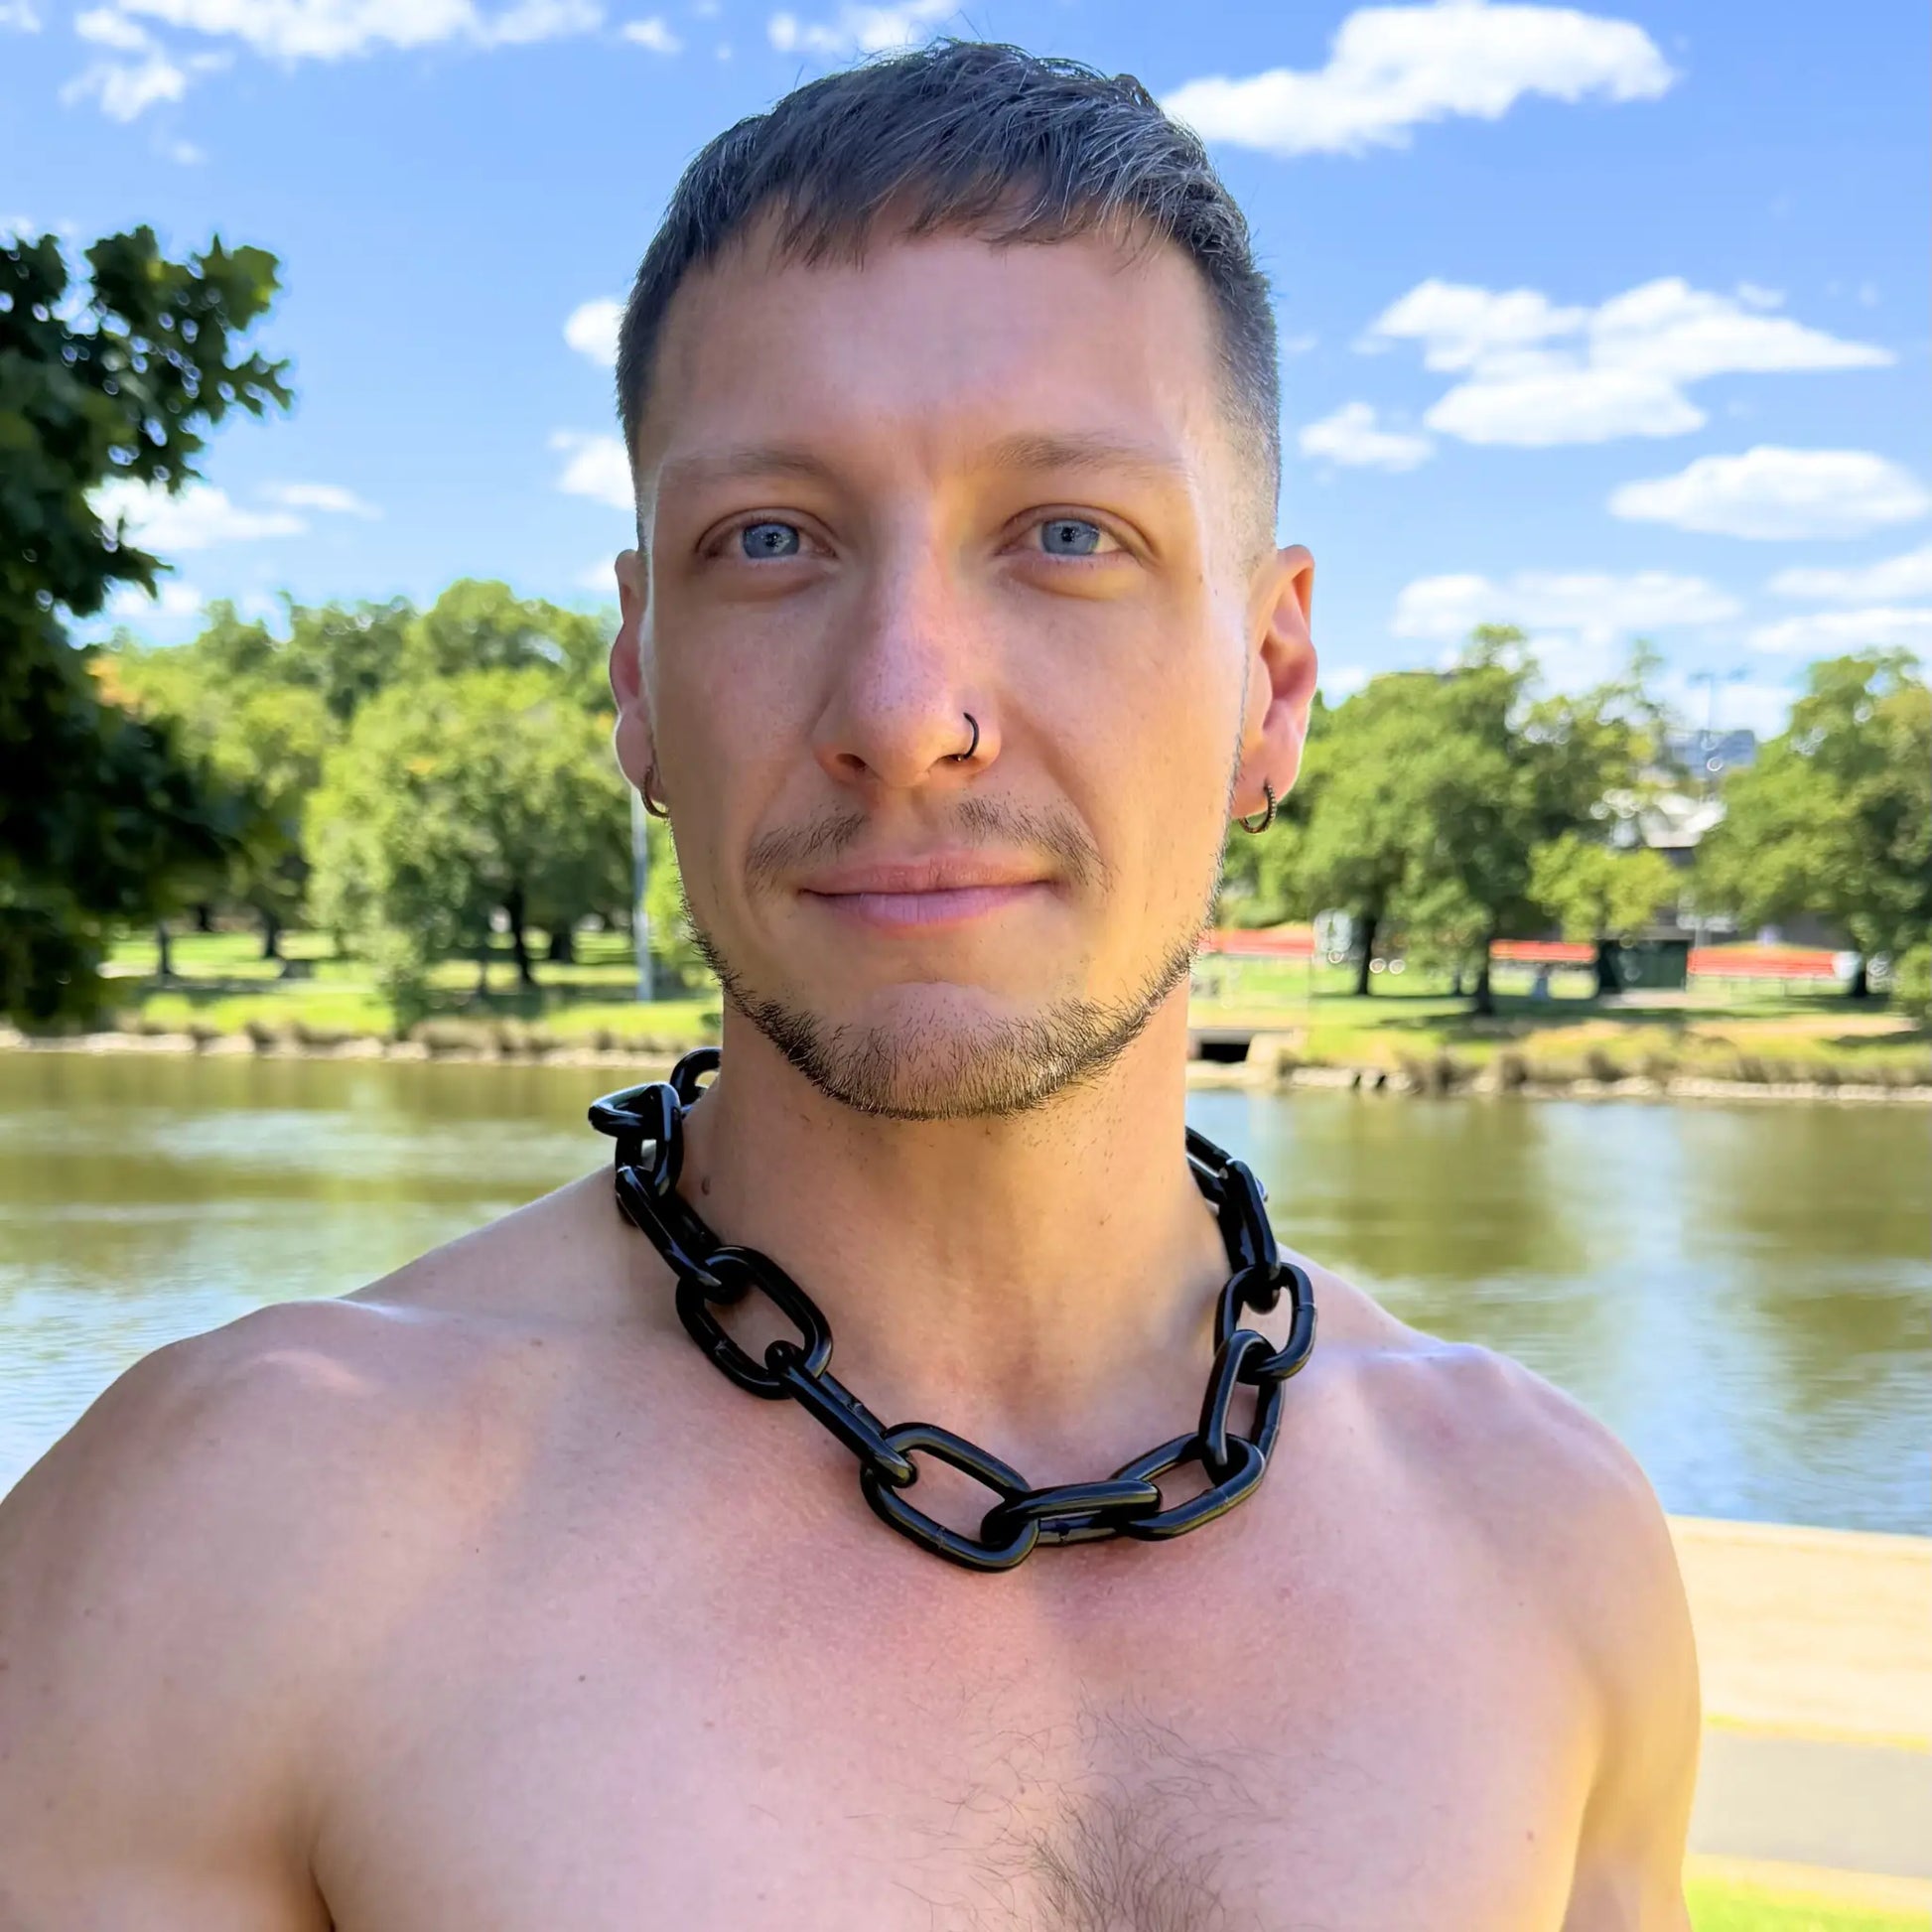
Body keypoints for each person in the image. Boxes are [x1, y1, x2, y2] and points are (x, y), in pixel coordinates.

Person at [0, 42, 1700, 1929]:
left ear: (1271, 680)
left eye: (1069, 535)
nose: (905, 711)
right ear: (640, 679)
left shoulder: (1545, 1541)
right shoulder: (229, 1544)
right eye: (770, 540)